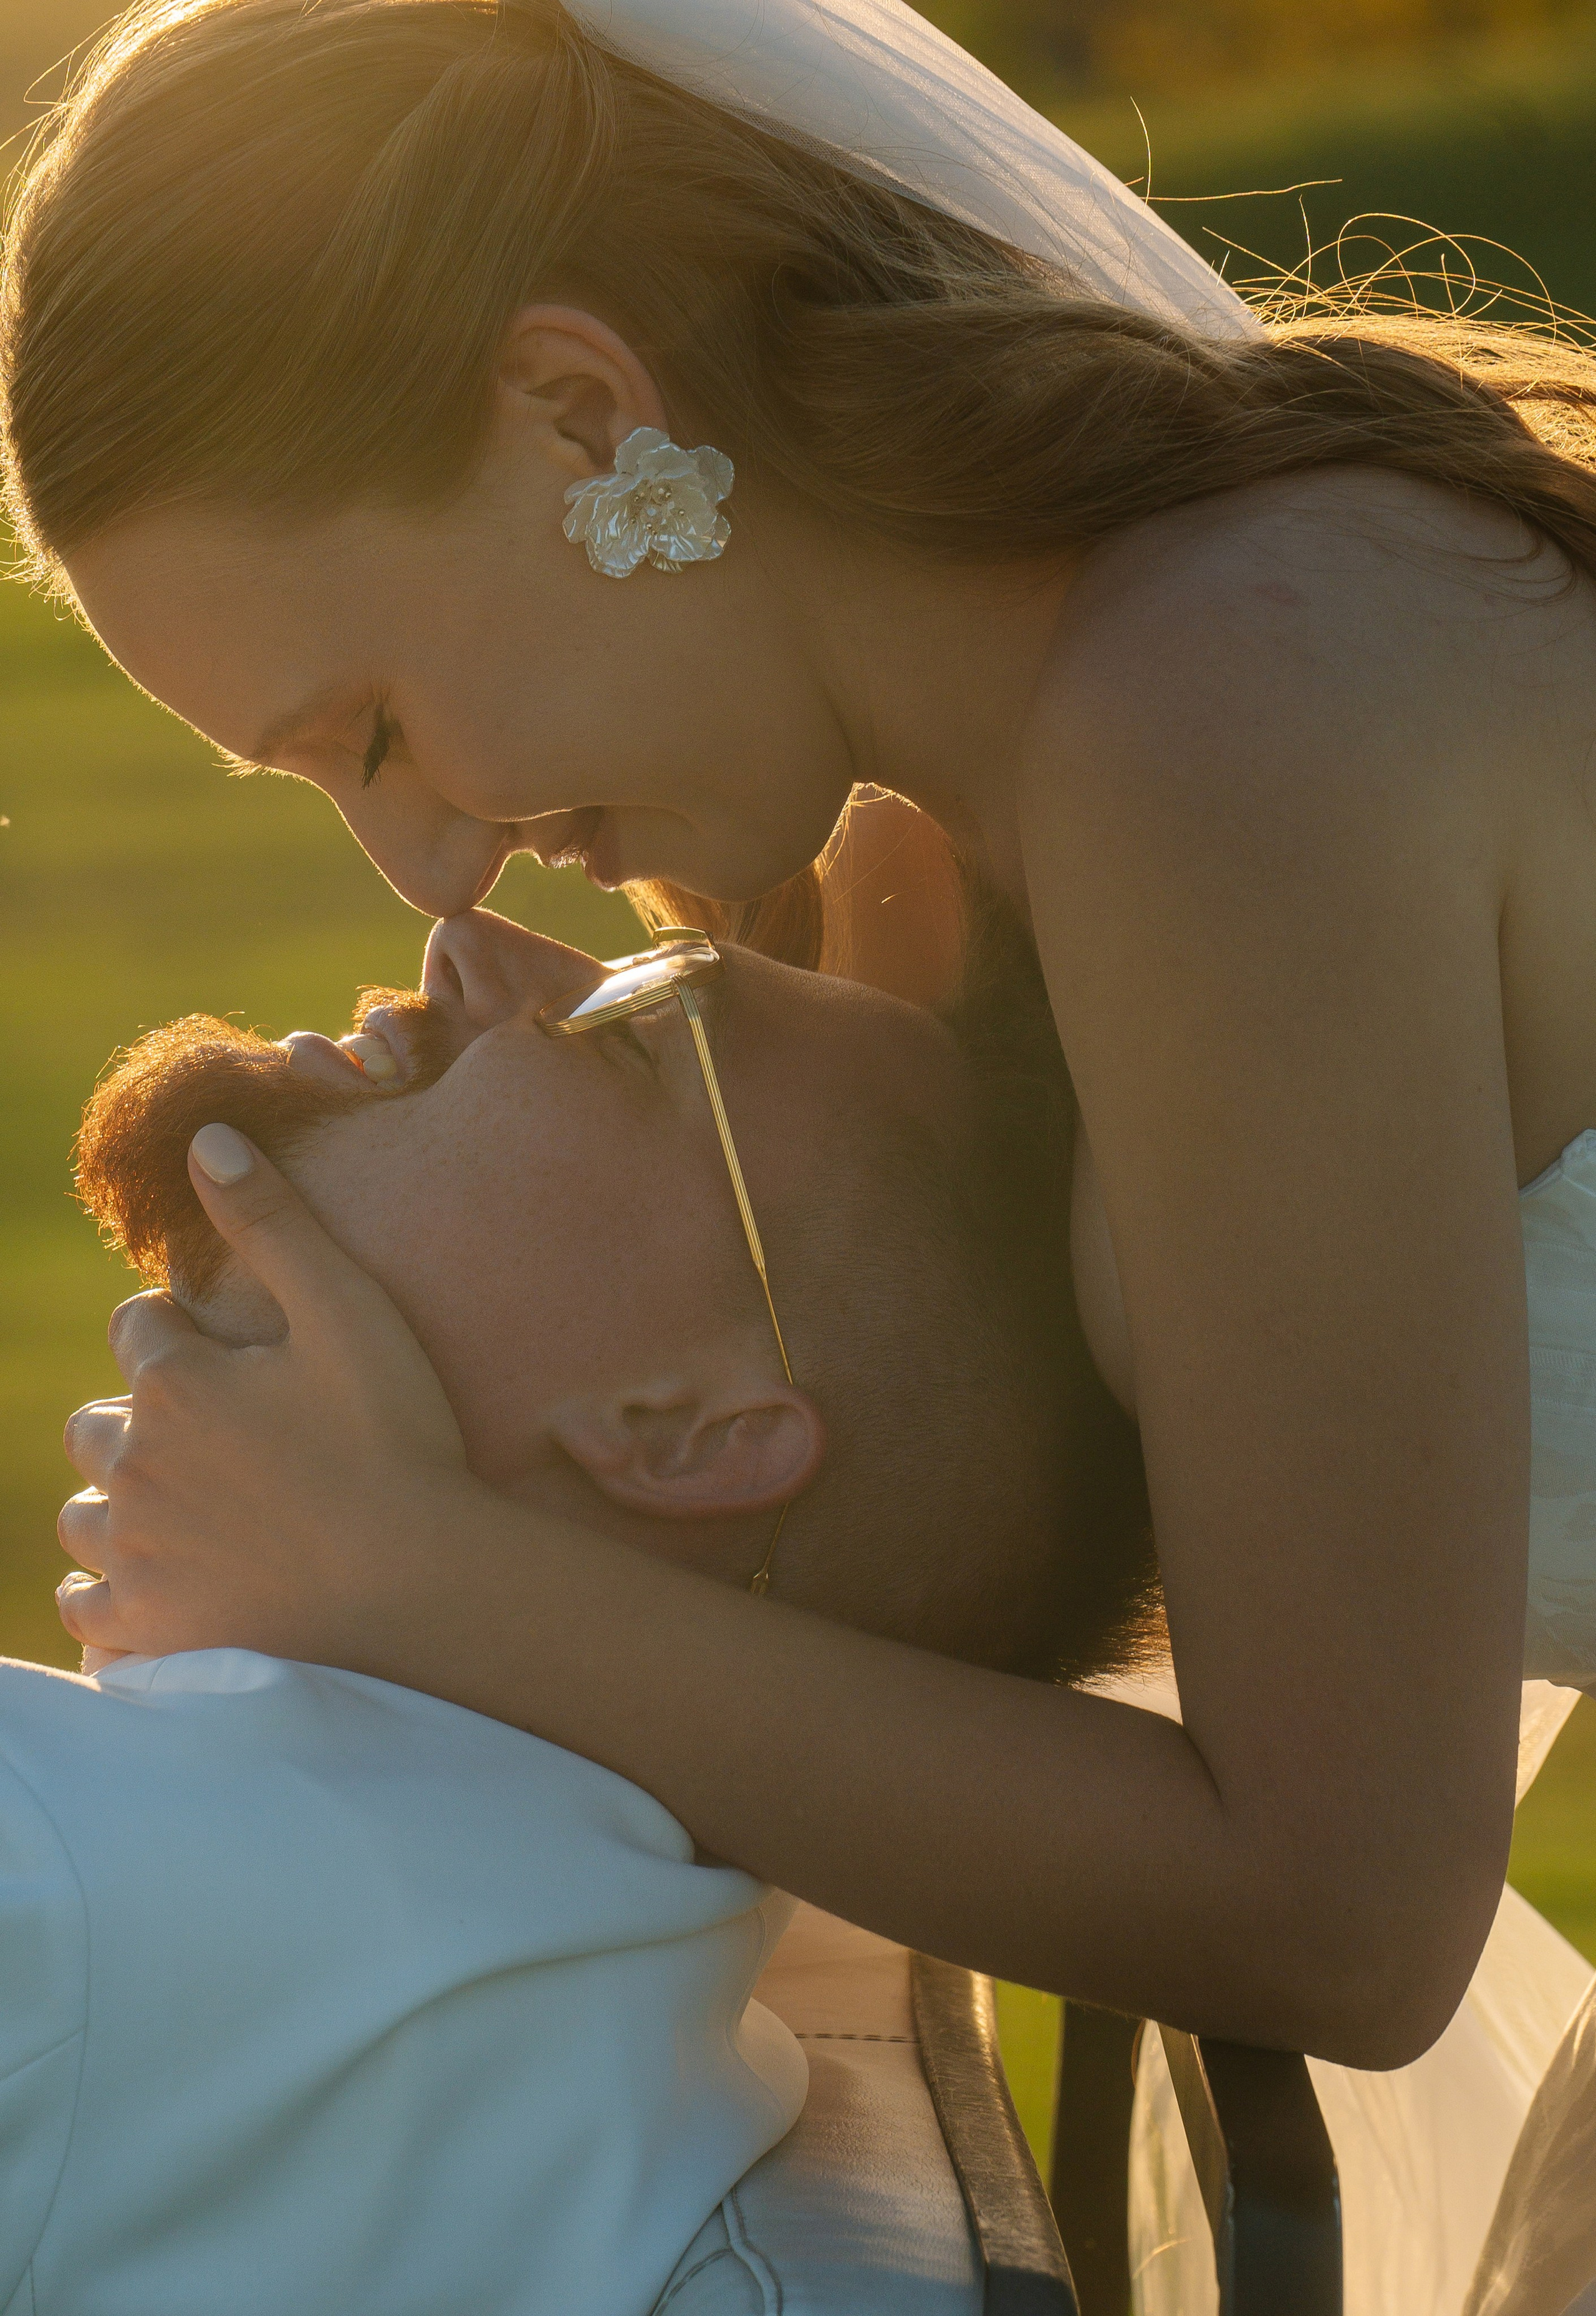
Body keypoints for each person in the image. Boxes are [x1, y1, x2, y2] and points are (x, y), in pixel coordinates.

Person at [10, 0, 1596, 2290]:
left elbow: (1340, 1909)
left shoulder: (1234, 703)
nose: (429, 872)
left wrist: (419, 1579)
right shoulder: (927, 846)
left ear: (581, 411)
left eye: (369, 723)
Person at [0, 903, 1142, 2315]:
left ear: (683, 1432)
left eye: (642, 1038)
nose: (467, 946)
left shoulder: (67, 1889)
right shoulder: (600, 1975)